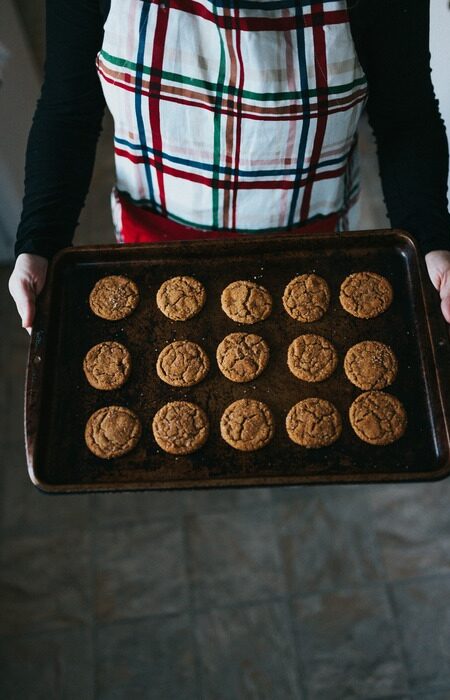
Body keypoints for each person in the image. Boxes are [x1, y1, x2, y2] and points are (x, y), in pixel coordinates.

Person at [8, 0, 450, 332]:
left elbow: (404, 113)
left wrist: (430, 239)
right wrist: (40, 243)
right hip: (156, 235)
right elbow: (69, 110)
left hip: (313, 237)